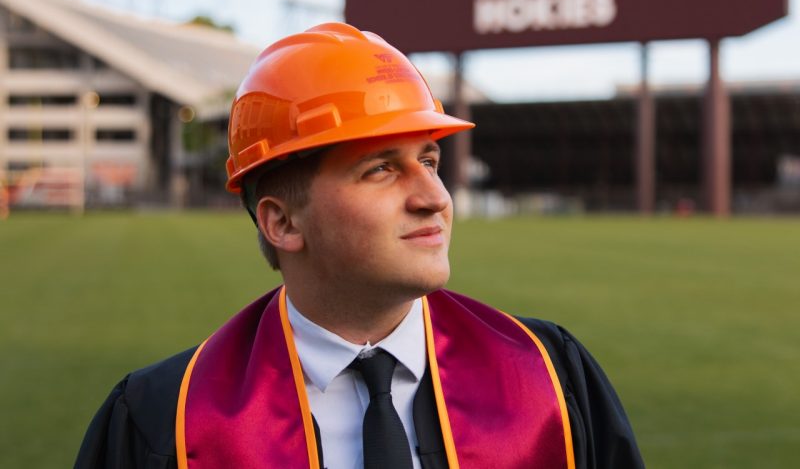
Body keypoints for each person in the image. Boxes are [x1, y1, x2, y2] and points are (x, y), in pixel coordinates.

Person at [76, 23, 644, 469]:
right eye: (380, 170)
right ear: (283, 224)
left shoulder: (548, 377)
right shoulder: (167, 419)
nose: (434, 198)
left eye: (429, 161)